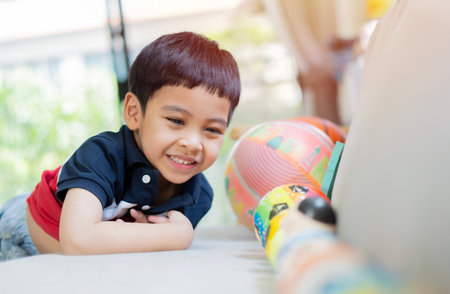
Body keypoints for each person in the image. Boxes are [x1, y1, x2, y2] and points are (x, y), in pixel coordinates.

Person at [0, 31, 241, 261]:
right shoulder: (101, 155)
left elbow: (153, 251)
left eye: (212, 130)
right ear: (134, 112)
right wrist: (176, 234)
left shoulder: (199, 196)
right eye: (176, 121)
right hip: (16, 232)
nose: (193, 143)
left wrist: (159, 238)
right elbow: (77, 240)